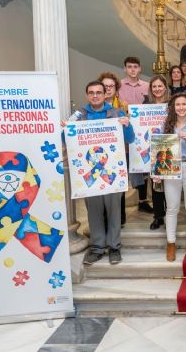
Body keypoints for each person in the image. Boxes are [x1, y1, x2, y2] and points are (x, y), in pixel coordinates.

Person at [78, 81, 135, 265]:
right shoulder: (80, 116)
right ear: (87, 95)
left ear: (105, 94)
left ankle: (114, 247)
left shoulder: (117, 113)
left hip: (112, 173)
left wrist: (127, 125)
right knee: (93, 212)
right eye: (91, 92)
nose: (95, 96)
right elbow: (68, 140)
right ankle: (97, 247)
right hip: (90, 174)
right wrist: (65, 129)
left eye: (99, 92)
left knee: (113, 210)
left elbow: (130, 139)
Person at [161, 93, 186, 262]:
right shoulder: (166, 125)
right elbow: (160, 149)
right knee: (172, 208)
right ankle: (171, 243)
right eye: (178, 105)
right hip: (171, 169)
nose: (181, 107)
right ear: (173, 107)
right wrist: (158, 171)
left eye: (184, 104)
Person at [118, 57, 152, 213]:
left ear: (140, 69)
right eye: (129, 67)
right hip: (123, 133)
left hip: (143, 133)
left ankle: (142, 201)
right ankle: (120, 207)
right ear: (125, 68)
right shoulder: (118, 86)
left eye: (135, 66)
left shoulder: (147, 86)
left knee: (142, 167)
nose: (132, 69)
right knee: (123, 167)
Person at [98, 72, 129, 225]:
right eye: (105, 86)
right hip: (98, 155)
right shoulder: (94, 107)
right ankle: (103, 220)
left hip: (117, 153)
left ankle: (119, 218)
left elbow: (129, 131)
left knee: (118, 187)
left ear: (116, 89)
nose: (108, 89)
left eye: (111, 86)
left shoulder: (122, 106)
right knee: (102, 187)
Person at [145, 75, 171, 230]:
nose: (157, 89)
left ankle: (169, 214)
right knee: (155, 185)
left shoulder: (171, 105)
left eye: (160, 86)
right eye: (154, 87)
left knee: (168, 184)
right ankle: (158, 216)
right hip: (151, 150)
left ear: (165, 87)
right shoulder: (145, 105)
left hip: (168, 148)